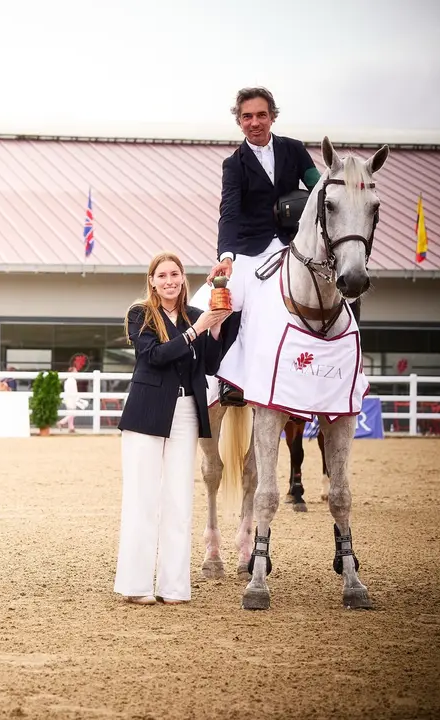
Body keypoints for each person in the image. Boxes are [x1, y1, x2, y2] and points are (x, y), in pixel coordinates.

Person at [115, 252, 232, 605]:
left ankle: (174, 587)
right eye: (162, 275)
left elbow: (209, 365)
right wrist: (197, 330)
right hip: (147, 412)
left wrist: (215, 328)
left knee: (179, 500)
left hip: (186, 413)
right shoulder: (140, 315)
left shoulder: (195, 315)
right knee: (142, 498)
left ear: (183, 279)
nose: (169, 281)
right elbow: (154, 356)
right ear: (152, 281)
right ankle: (136, 585)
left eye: (175, 274)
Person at [198, 87, 322, 406]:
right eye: (247, 116)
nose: (254, 122)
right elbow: (229, 212)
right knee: (230, 300)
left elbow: (319, 188)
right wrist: (227, 257)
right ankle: (229, 380)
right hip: (250, 248)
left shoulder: (294, 150)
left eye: (261, 115)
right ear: (239, 121)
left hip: (293, 246)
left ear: (272, 117)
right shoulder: (233, 164)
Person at [55, 366, 80, 432]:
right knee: (72, 413)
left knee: (70, 413)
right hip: (71, 399)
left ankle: (71, 427)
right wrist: (76, 398)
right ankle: (61, 422)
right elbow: (74, 391)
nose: (77, 372)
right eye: (75, 371)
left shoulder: (68, 380)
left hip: (68, 398)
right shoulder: (72, 380)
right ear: (72, 372)